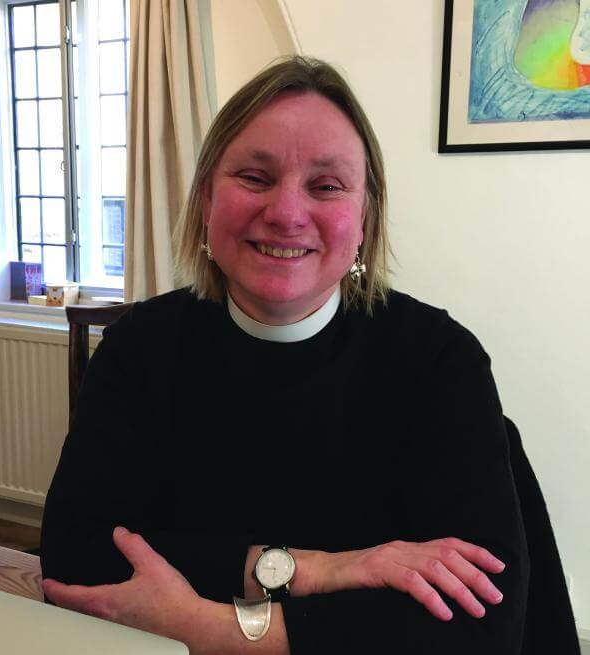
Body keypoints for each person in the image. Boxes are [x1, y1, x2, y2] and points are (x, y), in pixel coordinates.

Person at [39, 56, 565, 654]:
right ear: (207, 199)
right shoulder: (140, 344)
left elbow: (483, 624)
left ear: (365, 218)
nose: (287, 214)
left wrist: (210, 630)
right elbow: (74, 557)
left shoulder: (440, 361)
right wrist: (324, 569)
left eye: (327, 186)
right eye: (255, 178)